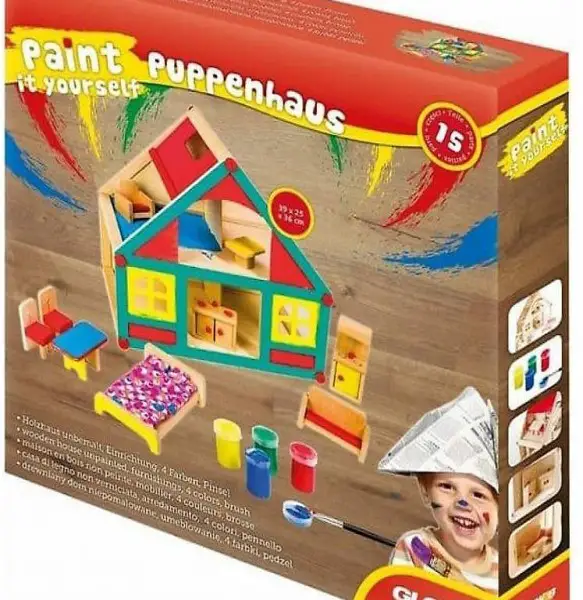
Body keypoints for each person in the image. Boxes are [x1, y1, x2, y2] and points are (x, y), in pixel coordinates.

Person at [378, 387, 499, 594]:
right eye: (447, 487)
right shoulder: (415, 548)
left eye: (479, 495)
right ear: (426, 491)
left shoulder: (505, 573)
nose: (463, 504)